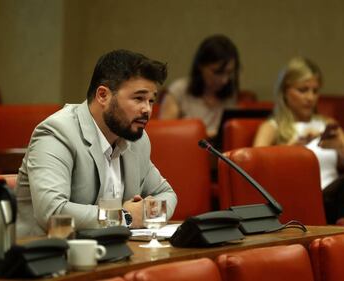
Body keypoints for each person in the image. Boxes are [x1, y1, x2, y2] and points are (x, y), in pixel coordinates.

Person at [15, 50, 177, 237]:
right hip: (49, 257)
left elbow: (166, 194)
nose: (147, 109)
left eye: (151, 101)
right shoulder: (57, 133)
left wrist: (146, 214)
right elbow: (52, 212)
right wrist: (125, 217)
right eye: (138, 98)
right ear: (103, 95)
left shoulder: (137, 140)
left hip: (115, 255)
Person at [253, 57, 344, 224]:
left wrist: (341, 148)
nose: (310, 97)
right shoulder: (272, 126)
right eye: (303, 90)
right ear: (285, 91)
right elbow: (254, 170)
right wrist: (292, 151)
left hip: (333, 195)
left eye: (315, 91)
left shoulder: (327, 124)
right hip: (294, 198)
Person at [159, 34, 240, 139]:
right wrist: (200, 135)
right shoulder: (179, 90)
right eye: (217, 72)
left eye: (229, 73)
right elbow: (163, 135)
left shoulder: (230, 93)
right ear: (201, 66)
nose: (224, 80)